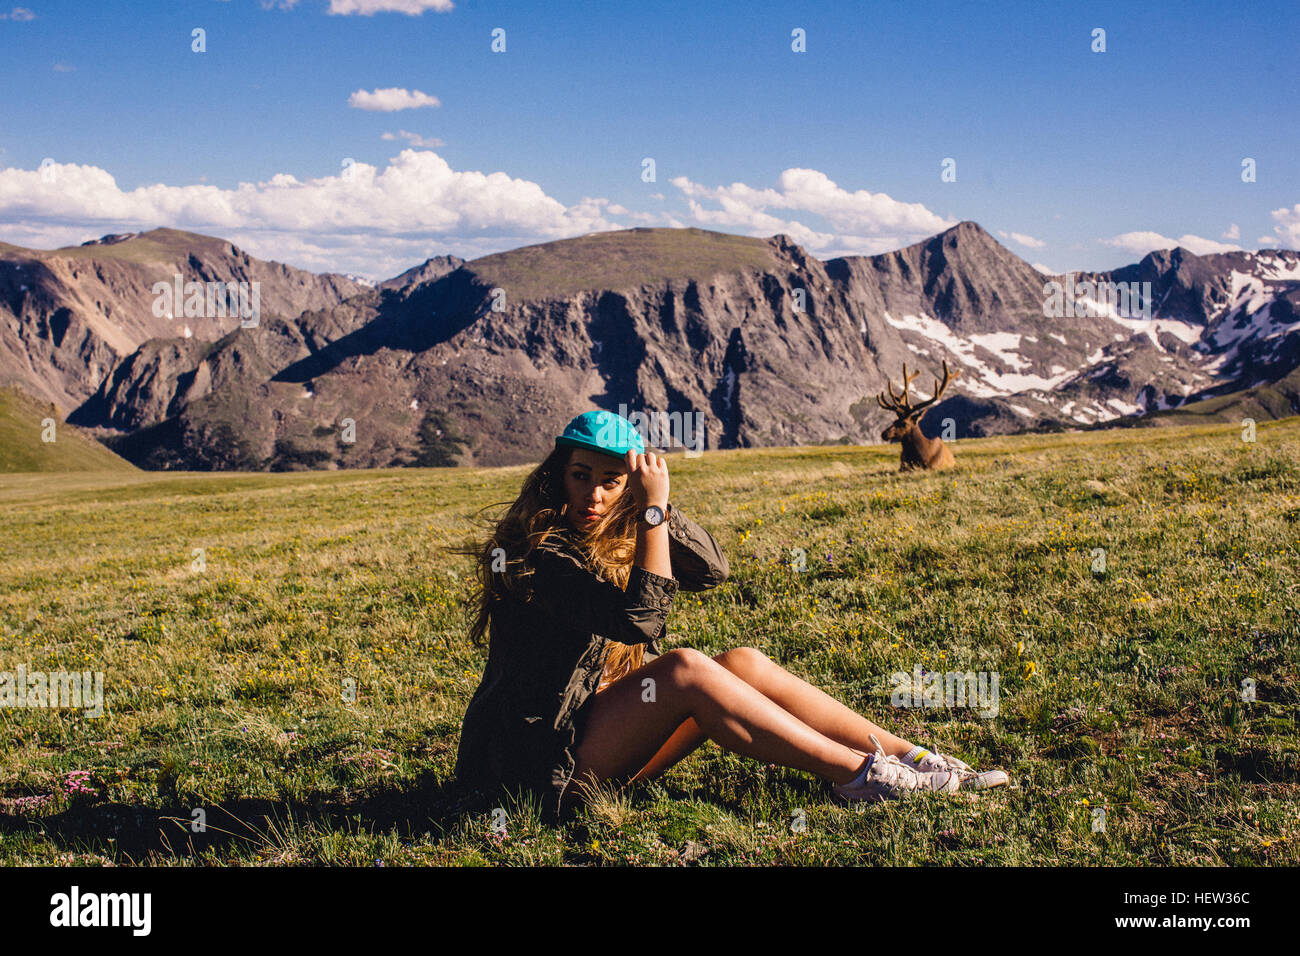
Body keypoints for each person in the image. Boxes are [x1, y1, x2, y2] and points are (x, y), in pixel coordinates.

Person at [453, 409, 1008, 822]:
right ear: (557, 474)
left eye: (610, 481)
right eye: (580, 475)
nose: (593, 495)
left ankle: (915, 759)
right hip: (532, 769)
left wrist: (659, 508)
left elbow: (712, 570)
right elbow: (641, 622)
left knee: (742, 662)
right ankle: (865, 777)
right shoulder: (536, 554)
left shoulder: (612, 526)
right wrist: (647, 513)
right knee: (684, 671)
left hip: (591, 737)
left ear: (627, 484)